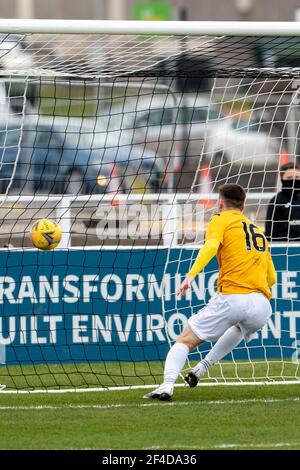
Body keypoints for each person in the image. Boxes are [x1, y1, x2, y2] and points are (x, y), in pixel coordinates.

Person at [144, 183, 276, 401]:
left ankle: (166, 386)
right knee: (239, 328)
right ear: (243, 207)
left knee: (185, 340)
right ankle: (202, 367)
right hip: (262, 305)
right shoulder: (257, 230)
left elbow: (211, 246)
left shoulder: (219, 219)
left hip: (234, 296)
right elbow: (271, 278)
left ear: (220, 202)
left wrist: (191, 275)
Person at [265, 162, 300, 241]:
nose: (294, 180)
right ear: (282, 179)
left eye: (297, 177)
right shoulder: (276, 201)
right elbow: (270, 232)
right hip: (285, 248)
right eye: (289, 178)